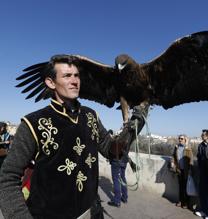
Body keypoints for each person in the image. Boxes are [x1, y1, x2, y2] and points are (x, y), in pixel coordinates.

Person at [0, 55, 146, 219]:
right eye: (67, 76)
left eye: (76, 75)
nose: (75, 80)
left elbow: (112, 151)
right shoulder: (33, 124)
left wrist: (133, 127)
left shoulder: (91, 116)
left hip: (92, 212)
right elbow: (7, 178)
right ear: (50, 82)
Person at [107, 130, 129, 207]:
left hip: (116, 162)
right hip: (124, 161)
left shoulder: (114, 141)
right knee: (123, 178)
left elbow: (110, 151)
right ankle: (125, 198)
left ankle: (117, 201)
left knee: (116, 180)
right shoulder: (126, 139)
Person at [172, 134, 193, 209]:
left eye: (182, 139)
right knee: (180, 187)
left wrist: (187, 145)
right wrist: (172, 162)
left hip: (186, 171)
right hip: (179, 170)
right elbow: (173, 156)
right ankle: (180, 201)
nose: (180, 140)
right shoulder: (176, 147)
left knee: (186, 187)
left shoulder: (188, 148)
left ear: (185, 140)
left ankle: (186, 203)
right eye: (179, 138)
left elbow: (191, 158)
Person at [195, 129, 208, 217]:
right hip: (203, 172)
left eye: (203, 135)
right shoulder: (201, 145)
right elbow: (198, 157)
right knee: (202, 192)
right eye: (202, 135)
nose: (202, 136)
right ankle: (204, 210)